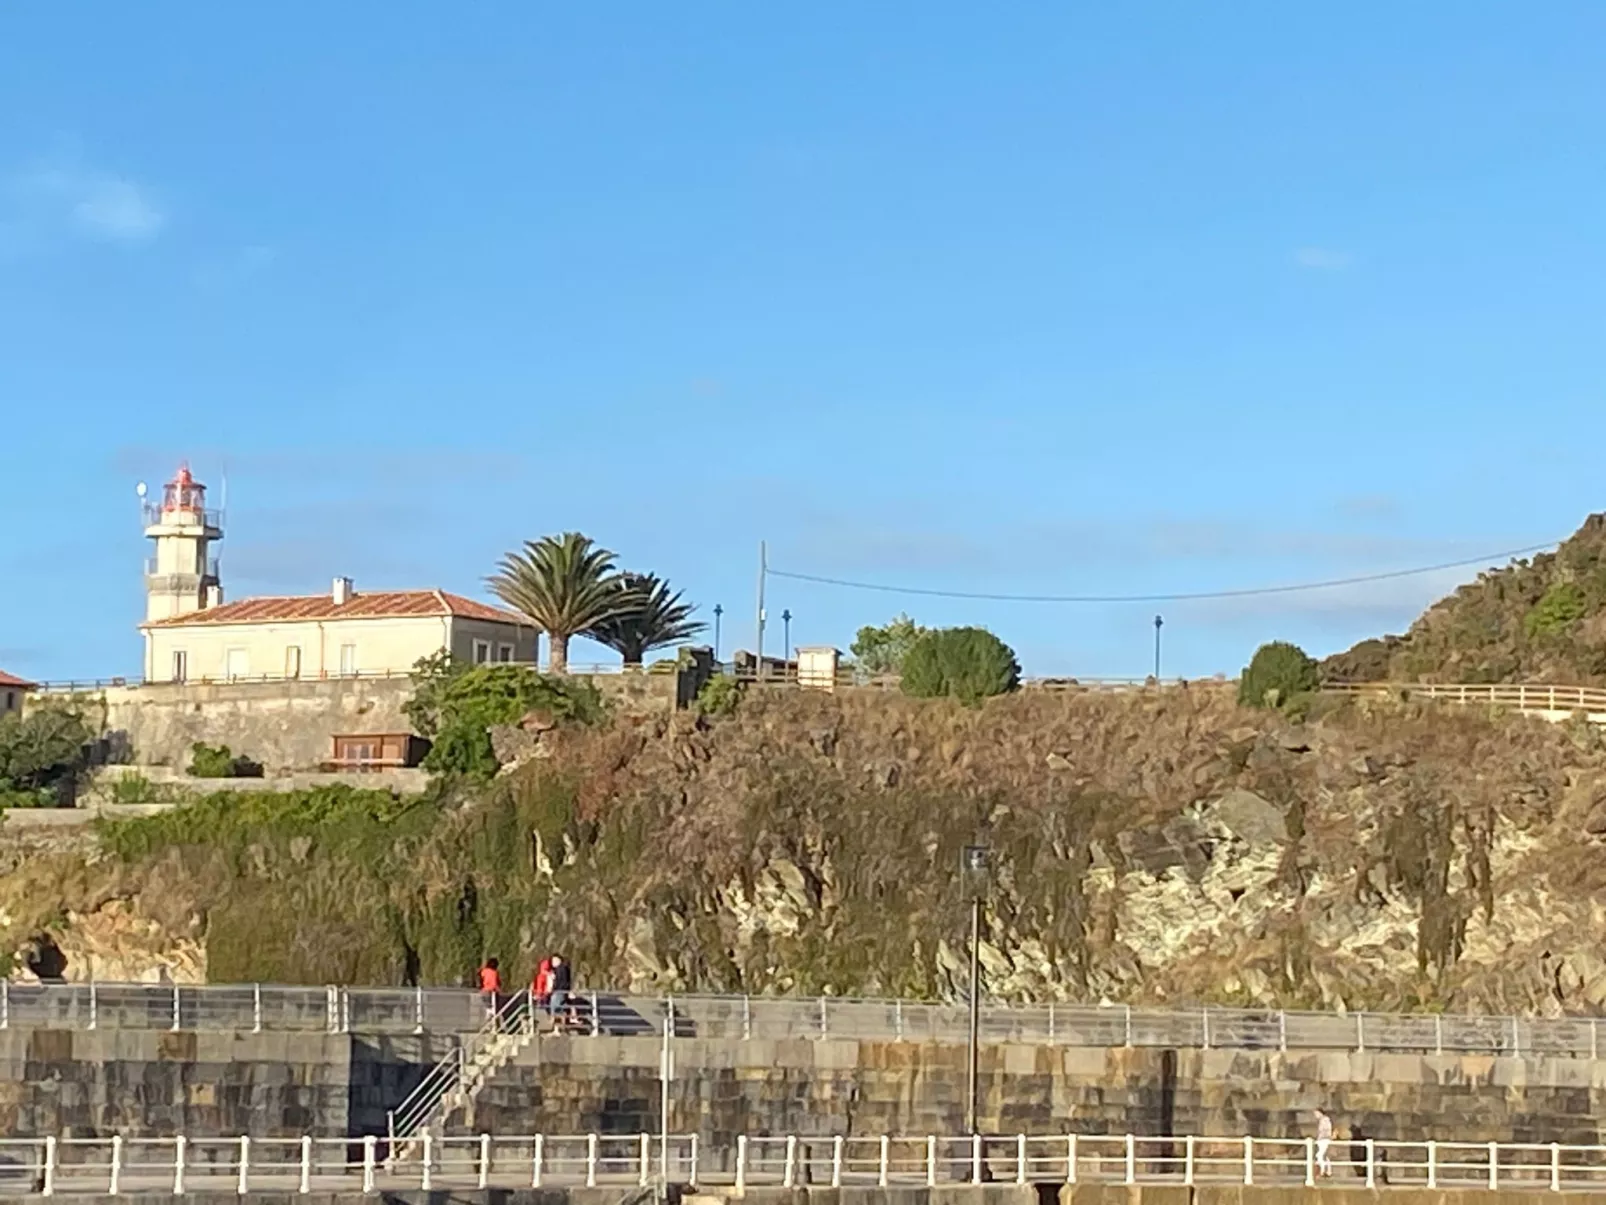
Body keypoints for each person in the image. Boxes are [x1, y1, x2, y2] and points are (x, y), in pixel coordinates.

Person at [548, 953, 573, 1023]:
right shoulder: (560, 969)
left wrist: (555, 989)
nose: (553, 962)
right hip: (561, 991)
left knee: (554, 1003)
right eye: (552, 961)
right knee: (561, 1008)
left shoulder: (561, 968)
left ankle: (553, 1018)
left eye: (555, 960)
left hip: (560, 991)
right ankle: (561, 1026)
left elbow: (562, 981)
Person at [1315, 1109, 1334, 1178]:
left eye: (1316, 1113)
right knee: (1325, 1156)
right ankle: (1328, 1171)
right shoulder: (1323, 1120)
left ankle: (1322, 1171)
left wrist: (1321, 1138)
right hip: (1323, 1140)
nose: (1315, 1115)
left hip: (1324, 1140)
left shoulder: (1325, 1120)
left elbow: (1325, 1131)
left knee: (1320, 1155)